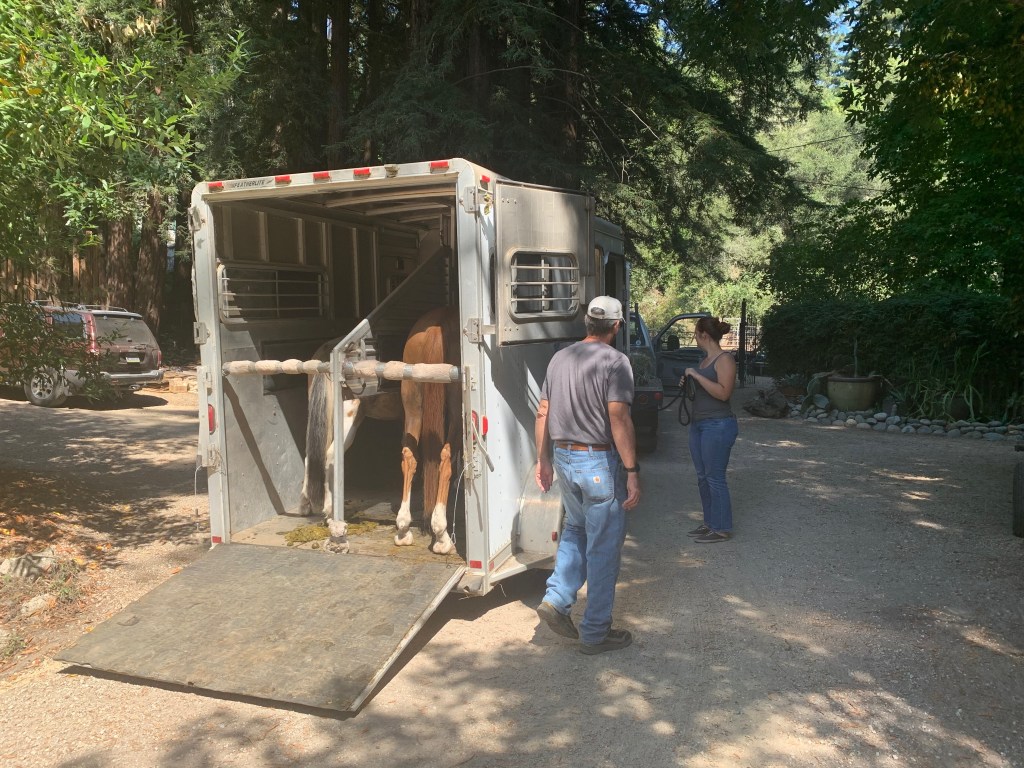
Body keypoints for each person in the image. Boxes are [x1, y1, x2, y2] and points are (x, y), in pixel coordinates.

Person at [533, 296, 642, 655]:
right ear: (617, 326)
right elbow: (618, 417)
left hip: (564, 456)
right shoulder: (616, 361)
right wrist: (632, 470)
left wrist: (542, 459)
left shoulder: (560, 357)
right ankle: (595, 633)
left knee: (575, 529)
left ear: (587, 323)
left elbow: (543, 411)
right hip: (597, 462)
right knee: (604, 547)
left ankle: (557, 599)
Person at [683, 316, 738, 543]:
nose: (695, 338)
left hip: (718, 425)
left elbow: (724, 393)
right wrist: (689, 383)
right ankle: (710, 523)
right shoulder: (705, 360)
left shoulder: (724, 360)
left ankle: (722, 528)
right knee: (703, 477)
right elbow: (704, 389)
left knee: (715, 477)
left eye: (696, 334)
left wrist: (696, 375)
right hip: (699, 425)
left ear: (703, 335)